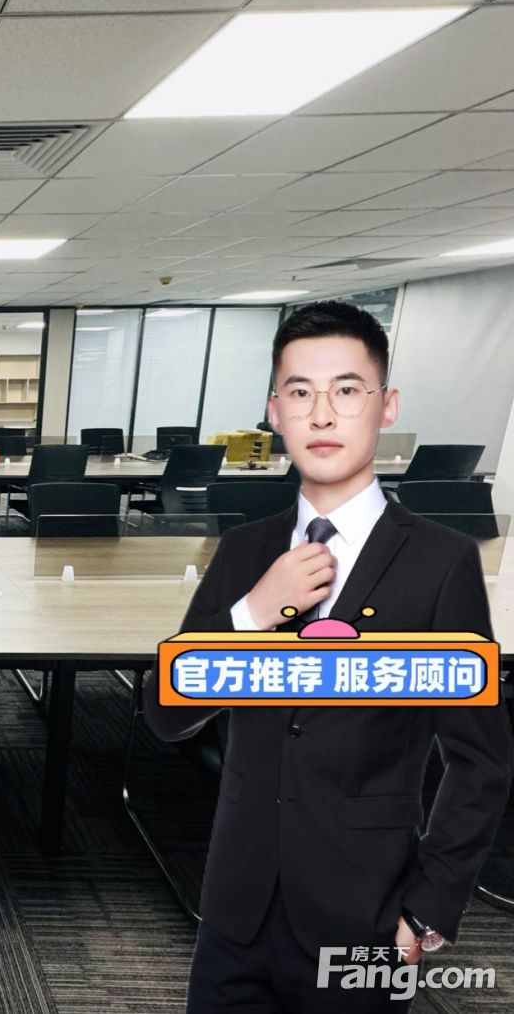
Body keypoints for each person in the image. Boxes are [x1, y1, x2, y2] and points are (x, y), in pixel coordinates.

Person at [143, 301, 511, 1012]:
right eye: (300, 392)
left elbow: (481, 760)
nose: (321, 415)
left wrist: (430, 906)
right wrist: (252, 614)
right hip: (236, 907)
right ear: (274, 412)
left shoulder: (441, 562)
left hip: (367, 911)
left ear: (386, 406)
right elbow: (164, 714)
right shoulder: (245, 551)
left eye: (346, 390)